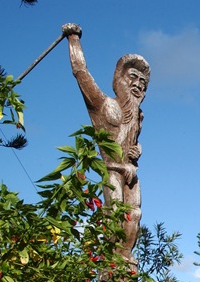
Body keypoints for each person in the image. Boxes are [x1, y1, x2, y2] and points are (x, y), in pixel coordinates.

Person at [62, 23, 150, 264]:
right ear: (119, 78)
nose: (138, 85)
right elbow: (81, 72)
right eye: (133, 77)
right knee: (114, 216)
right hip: (112, 170)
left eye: (143, 82)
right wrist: (73, 39)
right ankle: (112, 261)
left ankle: (125, 257)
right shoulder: (105, 106)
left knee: (135, 214)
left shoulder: (138, 117)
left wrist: (136, 152)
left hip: (130, 172)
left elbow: (131, 145)